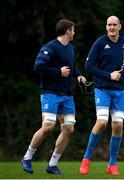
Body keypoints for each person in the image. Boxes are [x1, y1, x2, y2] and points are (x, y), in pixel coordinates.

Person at [79, 15, 124, 175]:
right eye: (109, 25)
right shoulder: (100, 43)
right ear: (106, 27)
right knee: (101, 122)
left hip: (120, 91)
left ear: (120, 26)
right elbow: (88, 66)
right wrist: (108, 75)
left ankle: (112, 164)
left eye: (115, 24)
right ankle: (86, 159)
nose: (112, 27)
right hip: (102, 89)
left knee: (118, 125)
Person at [21, 19, 86, 175]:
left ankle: (52, 164)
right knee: (48, 127)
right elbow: (38, 67)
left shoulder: (71, 48)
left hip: (66, 95)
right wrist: (58, 72)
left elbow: (73, 67)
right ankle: (27, 157)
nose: (74, 32)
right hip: (50, 94)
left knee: (69, 129)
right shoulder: (49, 48)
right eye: (73, 30)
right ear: (67, 31)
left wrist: (78, 76)